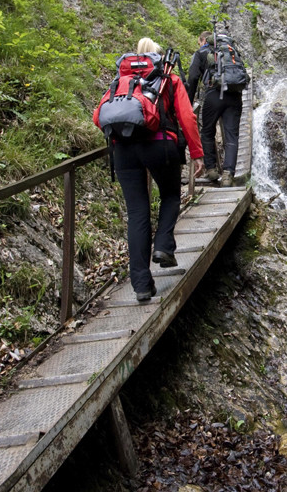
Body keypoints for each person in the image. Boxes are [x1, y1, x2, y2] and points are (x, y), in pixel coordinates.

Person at [96, 38, 205, 302]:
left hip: (123, 147)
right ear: (156, 57)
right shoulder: (169, 78)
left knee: (137, 213)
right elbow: (187, 117)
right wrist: (198, 153)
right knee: (170, 195)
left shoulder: (122, 82)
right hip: (159, 145)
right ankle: (164, 246)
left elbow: (99, 115)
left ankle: (142, 285)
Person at [187, 30, 243, 187]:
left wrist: (188, 102)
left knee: (207, 132)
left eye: (199, 42)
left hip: (213, 94)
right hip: (234, 95)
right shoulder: (232, 52)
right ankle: (228, 173)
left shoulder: (202, 52)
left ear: (203, 40)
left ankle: (211, 169)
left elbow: (192, 77)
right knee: (232, 135)